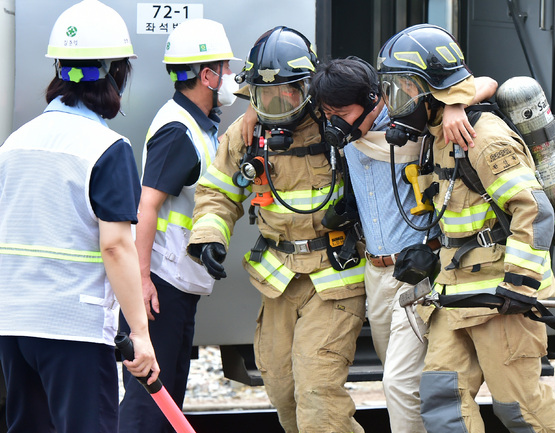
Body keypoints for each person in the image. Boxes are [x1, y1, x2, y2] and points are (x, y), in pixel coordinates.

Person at [378, 24, 555, 433]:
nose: (394, 100)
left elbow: (534, 211)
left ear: (433, 89)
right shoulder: (440, 135)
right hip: (455, 295)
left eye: (403, 88)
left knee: (521, 408)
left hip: (500, 298)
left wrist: (519, 287)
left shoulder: (483, 137)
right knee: (443, 403)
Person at [187, 26, 366, 433]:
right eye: (264, 96)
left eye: (287, 92)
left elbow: (389, 100)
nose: (276, 104)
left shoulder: (339, 121)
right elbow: (217, 193)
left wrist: (458, 105)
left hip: (334, 276)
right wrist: (210, 235)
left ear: (309, 86)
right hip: (279, 279)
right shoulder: (248, 135)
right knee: (282, 388)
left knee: (318, 394)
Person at [307, 56, 497, 433]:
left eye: (341, 111)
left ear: (374, 98)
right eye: (327, 112)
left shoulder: (407, 120)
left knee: (399, 383)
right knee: (401, 380)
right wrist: (249, 114)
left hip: (418, 274)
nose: (333, 121)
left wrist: (457, 104)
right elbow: (276, 101)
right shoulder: (342, 134)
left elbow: (490, 81)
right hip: (375, 273)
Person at [0, 1, 159, 432]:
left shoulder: (14, 143)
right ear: (116, 73)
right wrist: (140, 334)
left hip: (13, 326)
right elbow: (115, 244)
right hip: (75, 328)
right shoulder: (107, 148)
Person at [117, 18, 238, 433]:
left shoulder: (200, 124)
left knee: (167, 400)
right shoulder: (178, 130)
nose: (229, 76)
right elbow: (146, 206)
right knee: (149, 404)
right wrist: (142, 279)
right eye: (224, 68)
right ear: (207, 75)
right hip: (162, 284)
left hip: (176, 281)